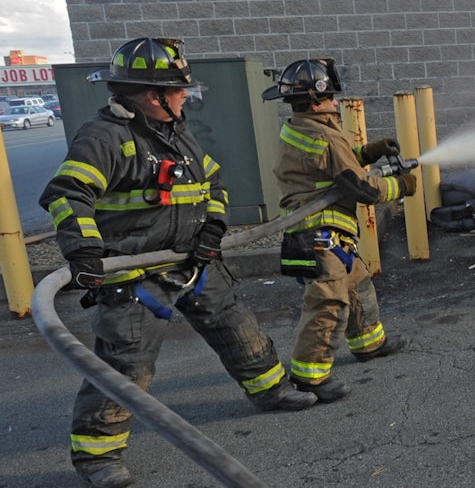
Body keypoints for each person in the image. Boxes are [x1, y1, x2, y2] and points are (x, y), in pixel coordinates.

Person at [40, 38, 317, 488]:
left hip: (192, 259)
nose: (186, 96)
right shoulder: (106, 137)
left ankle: (272, 389)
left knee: (235, 325)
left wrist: (213, 227)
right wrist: (84, 251)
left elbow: (213, 183)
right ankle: (98, 456)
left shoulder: (174, 131)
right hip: (133, 273)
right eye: (180, 89)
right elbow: (68, 194)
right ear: (153, 96)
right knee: (126, 364)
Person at [261, 58, 415, 403]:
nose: (335, 102)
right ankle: (310, 376)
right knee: (328, 302)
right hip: (321, 237)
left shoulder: (302, 128)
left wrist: (366, 151)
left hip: (320, 234)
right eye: (331, 97)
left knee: (358, 284)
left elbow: (328, 166)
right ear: (316, 100)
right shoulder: (324, 135)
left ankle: (369, 343)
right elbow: (360, 188)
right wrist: (400, 186)